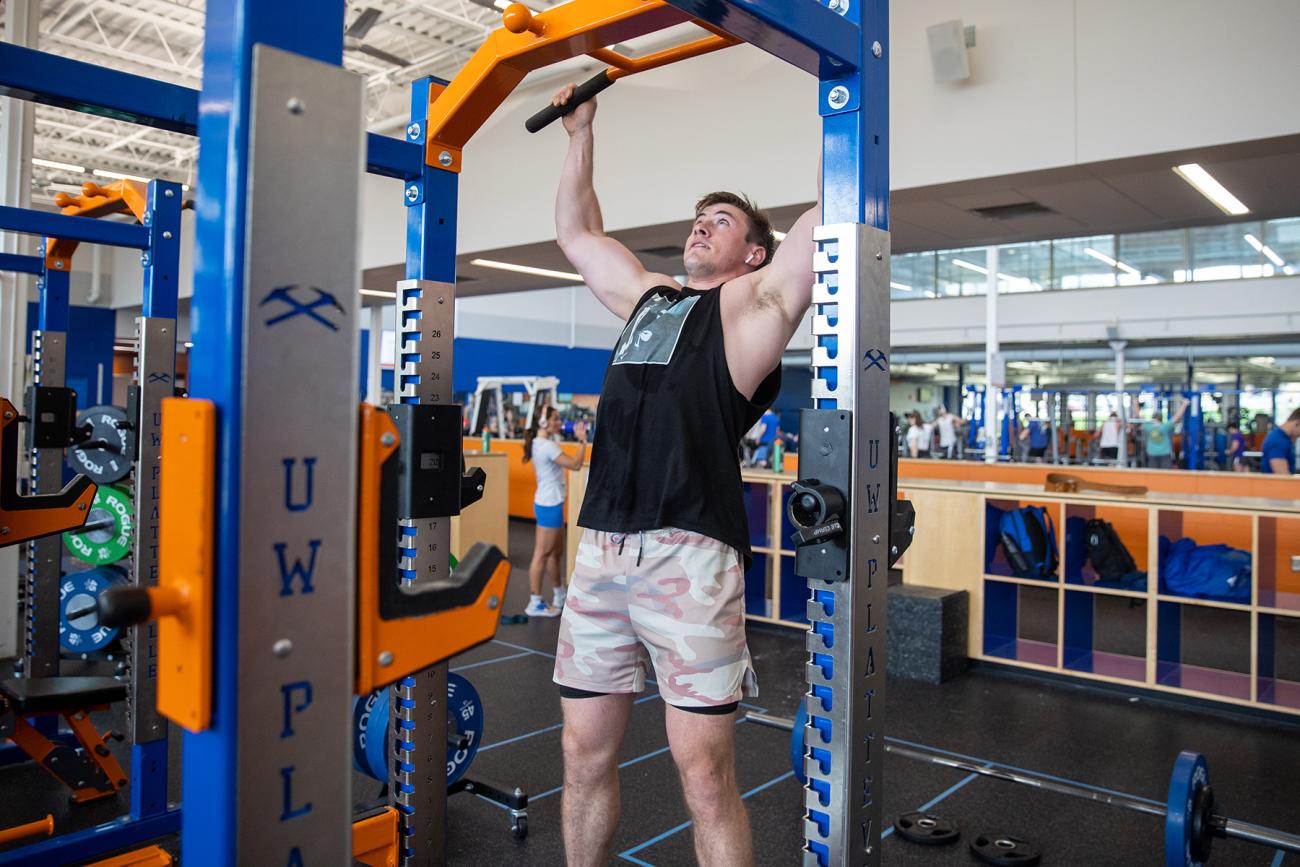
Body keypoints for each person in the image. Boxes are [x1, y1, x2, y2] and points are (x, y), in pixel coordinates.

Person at [547, 81, 820, 867]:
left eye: (722, 221)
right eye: (699, 217)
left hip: (688, 555)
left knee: (703, 772)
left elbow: (826, 215)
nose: (703, 225)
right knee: (580, 753)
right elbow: (576, 230)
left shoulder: (751, 311)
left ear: (753, 253)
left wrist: (838, 95)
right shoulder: (647, 299)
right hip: (600, 551)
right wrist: (581, 132)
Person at [522, 406, 588, 617]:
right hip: (549, 504)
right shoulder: (547, 446)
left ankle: (559, 595)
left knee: (555, 553)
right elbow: (576, 465)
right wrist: (582, 440)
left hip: (552, 503)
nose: (559, 422)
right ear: (543, 422)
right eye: (555, 419)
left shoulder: (540, 443)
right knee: (542, 554)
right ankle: (535, 602)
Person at [1141, 403, 1187, 470]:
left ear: (1153, 418)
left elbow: (1139, 416)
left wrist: (1135, 402)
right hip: (1164, 454)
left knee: (1153, 475)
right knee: (1165, 475)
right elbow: (1177, 417)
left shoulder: (1147, 426)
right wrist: (1184, 404)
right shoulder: (1165, 426)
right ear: (1161, 418)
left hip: (1153, 454)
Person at [1260, 408, 1300, 475]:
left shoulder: (1285, 438)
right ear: (1297, 423)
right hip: (1275, 485)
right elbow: (1283, 476)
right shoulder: (1278, 441)